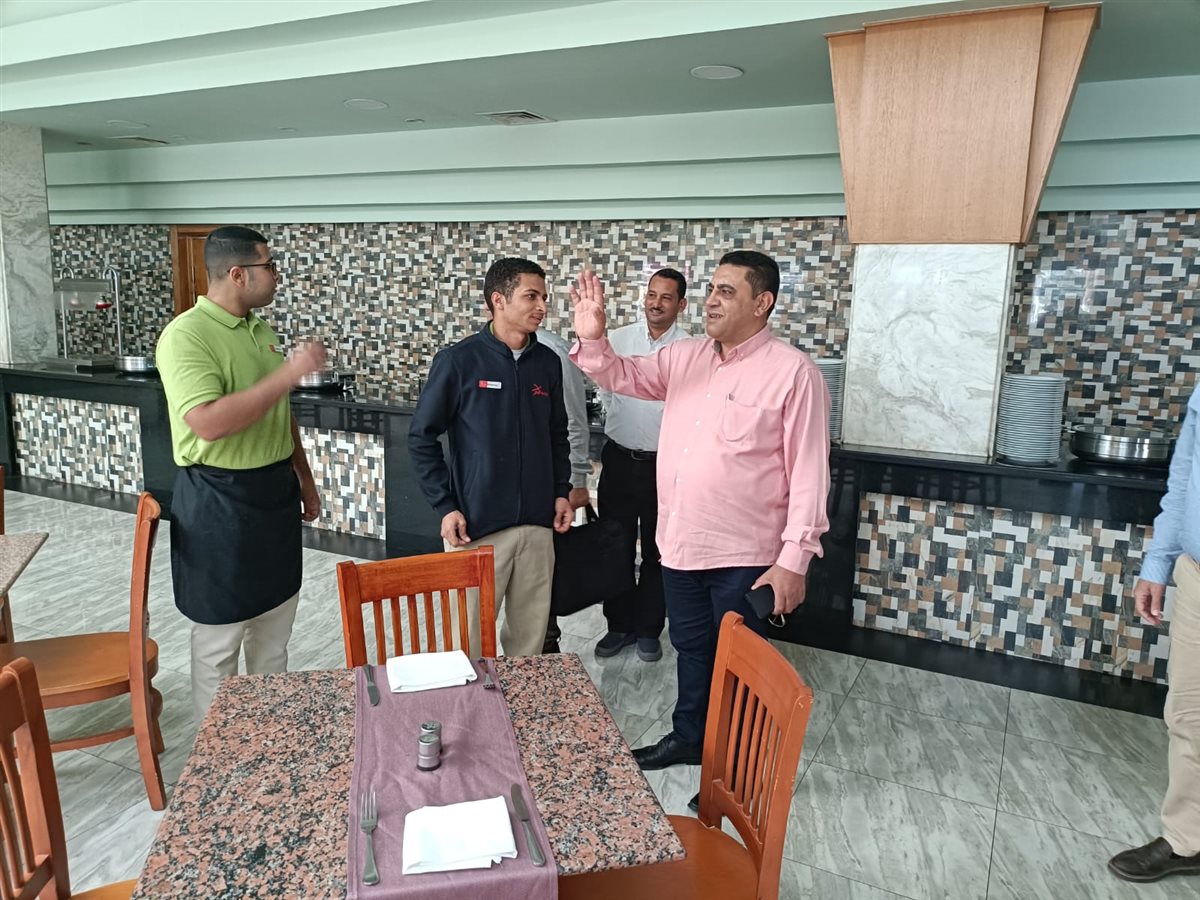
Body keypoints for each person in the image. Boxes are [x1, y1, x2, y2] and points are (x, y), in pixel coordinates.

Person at [569, 250, 831, 792]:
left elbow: (809, 473)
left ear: (762, 303)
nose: (711, 300)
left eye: (727, 291)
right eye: (711, 289)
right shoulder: (685, 356)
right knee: (692, 650)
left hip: (746, 557)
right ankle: (690, 736)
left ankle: (736, 767)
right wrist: (594, 339)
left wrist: (794, 561)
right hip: (681, 546)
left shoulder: (793, 373)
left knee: (742, 664)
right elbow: (620, 374)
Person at [156, 226, 326, 726]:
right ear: (237, 274)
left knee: (274, 630)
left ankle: (267, 733)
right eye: (268, 266)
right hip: (218, 500)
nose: (276, 276)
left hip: (274, 493)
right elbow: (208, 422)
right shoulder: (186, 335)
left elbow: (279, 412)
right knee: (220, 639)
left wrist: (304, 477)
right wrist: (288, 373)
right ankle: (218, 749)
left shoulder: (261, 331)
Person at [409, 257, 573, 657]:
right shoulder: (459, 361)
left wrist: (561, 491)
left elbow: (557, 435)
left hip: (537, 525)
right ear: (498, 300)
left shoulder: (547, 363)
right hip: (476, 528)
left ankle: (519, 698)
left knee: (529, 643)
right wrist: (445, 506)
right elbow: (421, 437)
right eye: (531, 296)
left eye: (544, 297)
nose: (542, 306)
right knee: (465, 643)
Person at [1109, 387, 1200, 884]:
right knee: (1188, 713)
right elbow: (1185, 474)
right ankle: (1189, 839)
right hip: (1198, 572)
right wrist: (1159, 562)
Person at [592, 268, 690, 663]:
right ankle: (619, 625)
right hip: (618, 458)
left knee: (656, 550)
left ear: (681, 305)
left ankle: (649, 628)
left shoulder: (690, 349)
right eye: (652, 295)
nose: (656, 303)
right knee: (613, 547)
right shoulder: (618, 340)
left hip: (663, 466)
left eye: (666, 297)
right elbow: (605, 390)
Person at [536, 325, 596, 654]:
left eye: (540, 300)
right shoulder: (473, 353)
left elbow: (573, 419)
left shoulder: (554, 351)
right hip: (494, 497)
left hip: (544, 488)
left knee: (542, 578)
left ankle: (547, 652)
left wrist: (577, 480)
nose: (538, 307)